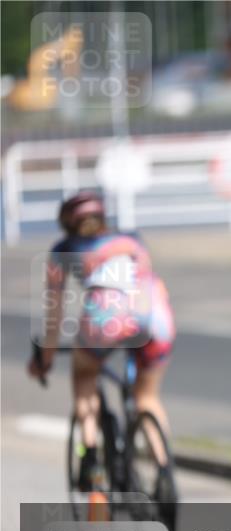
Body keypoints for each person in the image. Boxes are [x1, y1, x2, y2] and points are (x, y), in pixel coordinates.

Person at [27, 191, 176, 489]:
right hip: (156, 316)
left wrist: (45, 359)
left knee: (84, 378)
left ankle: (91, 455)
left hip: (107, 318)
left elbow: (53, 316)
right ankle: (164, 473)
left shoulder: (63, 250)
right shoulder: (132, 239)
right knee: (147, 397)